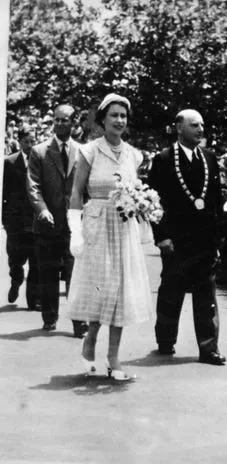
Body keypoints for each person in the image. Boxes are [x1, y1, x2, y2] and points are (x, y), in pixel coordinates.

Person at [66, 93, 152, 380]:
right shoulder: (89, 151)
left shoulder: (133, 154)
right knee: (100, 288)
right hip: (97, 225)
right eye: (114, 115)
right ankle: (90, 339)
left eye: (123, 116)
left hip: (123, 227)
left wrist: (141, 207)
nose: (119, 121)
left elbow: (135, 192)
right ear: (102, 119)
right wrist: (75, 231)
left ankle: (114, 359)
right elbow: (77, 192)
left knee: (121, 292)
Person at [148, 109, 226, 365]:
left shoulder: (210, 158)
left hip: (204, 240)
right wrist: (162, 236)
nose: (201, 129)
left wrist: (218, 238)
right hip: (176, 240)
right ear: (179, 127)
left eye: (202, 125)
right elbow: (153, 202)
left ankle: (208, 347)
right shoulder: (163, 159)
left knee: (206, 295)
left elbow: (216, 200)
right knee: (172, 290)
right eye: (194, 125)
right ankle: (166, 340)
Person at [27, 104, 87, 337]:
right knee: (48, 273)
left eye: (65, 120)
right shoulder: (39, 151)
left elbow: (87, 187)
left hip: (74, 224)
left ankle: (78, 322)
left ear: (74, 123)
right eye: (57, 120)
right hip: (47, 224)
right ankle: (50, 317)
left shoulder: (83, 152)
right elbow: (33, 186)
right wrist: (41, 209)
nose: (60, 124)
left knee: (76, 274)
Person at [2, 125, 40, 309]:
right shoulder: (9, 162)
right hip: (15, 221)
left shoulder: (41, 161)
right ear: (20, 141)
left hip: (34, 219)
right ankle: (16, 281)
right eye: (27, 142)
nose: (31, 145)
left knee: (35, 259)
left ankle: (33, 300)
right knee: (15, 259)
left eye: (33, 141)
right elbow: (3, 192)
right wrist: (5, 218)